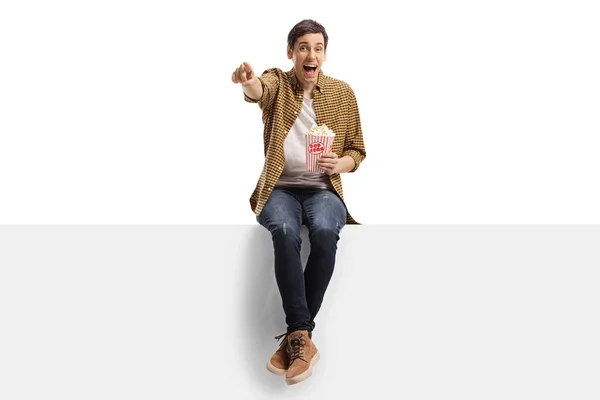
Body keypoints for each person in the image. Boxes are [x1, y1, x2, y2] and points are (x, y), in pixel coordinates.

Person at [231, 19, 366, 385]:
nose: (312, 54)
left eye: (318, 48)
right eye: (303, 47)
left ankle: (295, 337)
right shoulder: (279, 82)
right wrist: (249, 83)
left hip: (324, 189)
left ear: (324, 54)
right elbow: (261, 90)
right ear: (291, 52)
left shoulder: (342, 93)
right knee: (285, 229)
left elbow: (357, 150)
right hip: (280, 188)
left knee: (324, 230)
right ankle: (302, 337)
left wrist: (338, 163)